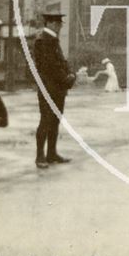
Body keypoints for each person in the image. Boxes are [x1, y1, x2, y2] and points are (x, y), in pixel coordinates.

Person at [33, 12, 76, 169]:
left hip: (57, 88)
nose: (59, 27)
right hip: (48, 88)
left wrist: (71, 73)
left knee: (55, 121)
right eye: (58, 24)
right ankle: (40, 156)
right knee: (46, 120)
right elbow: (50, 66)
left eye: (60, 24)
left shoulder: (52, 40)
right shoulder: (43, 41)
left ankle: (51, 154)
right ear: (50, 24)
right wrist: (67, 78)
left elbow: (62, 61)